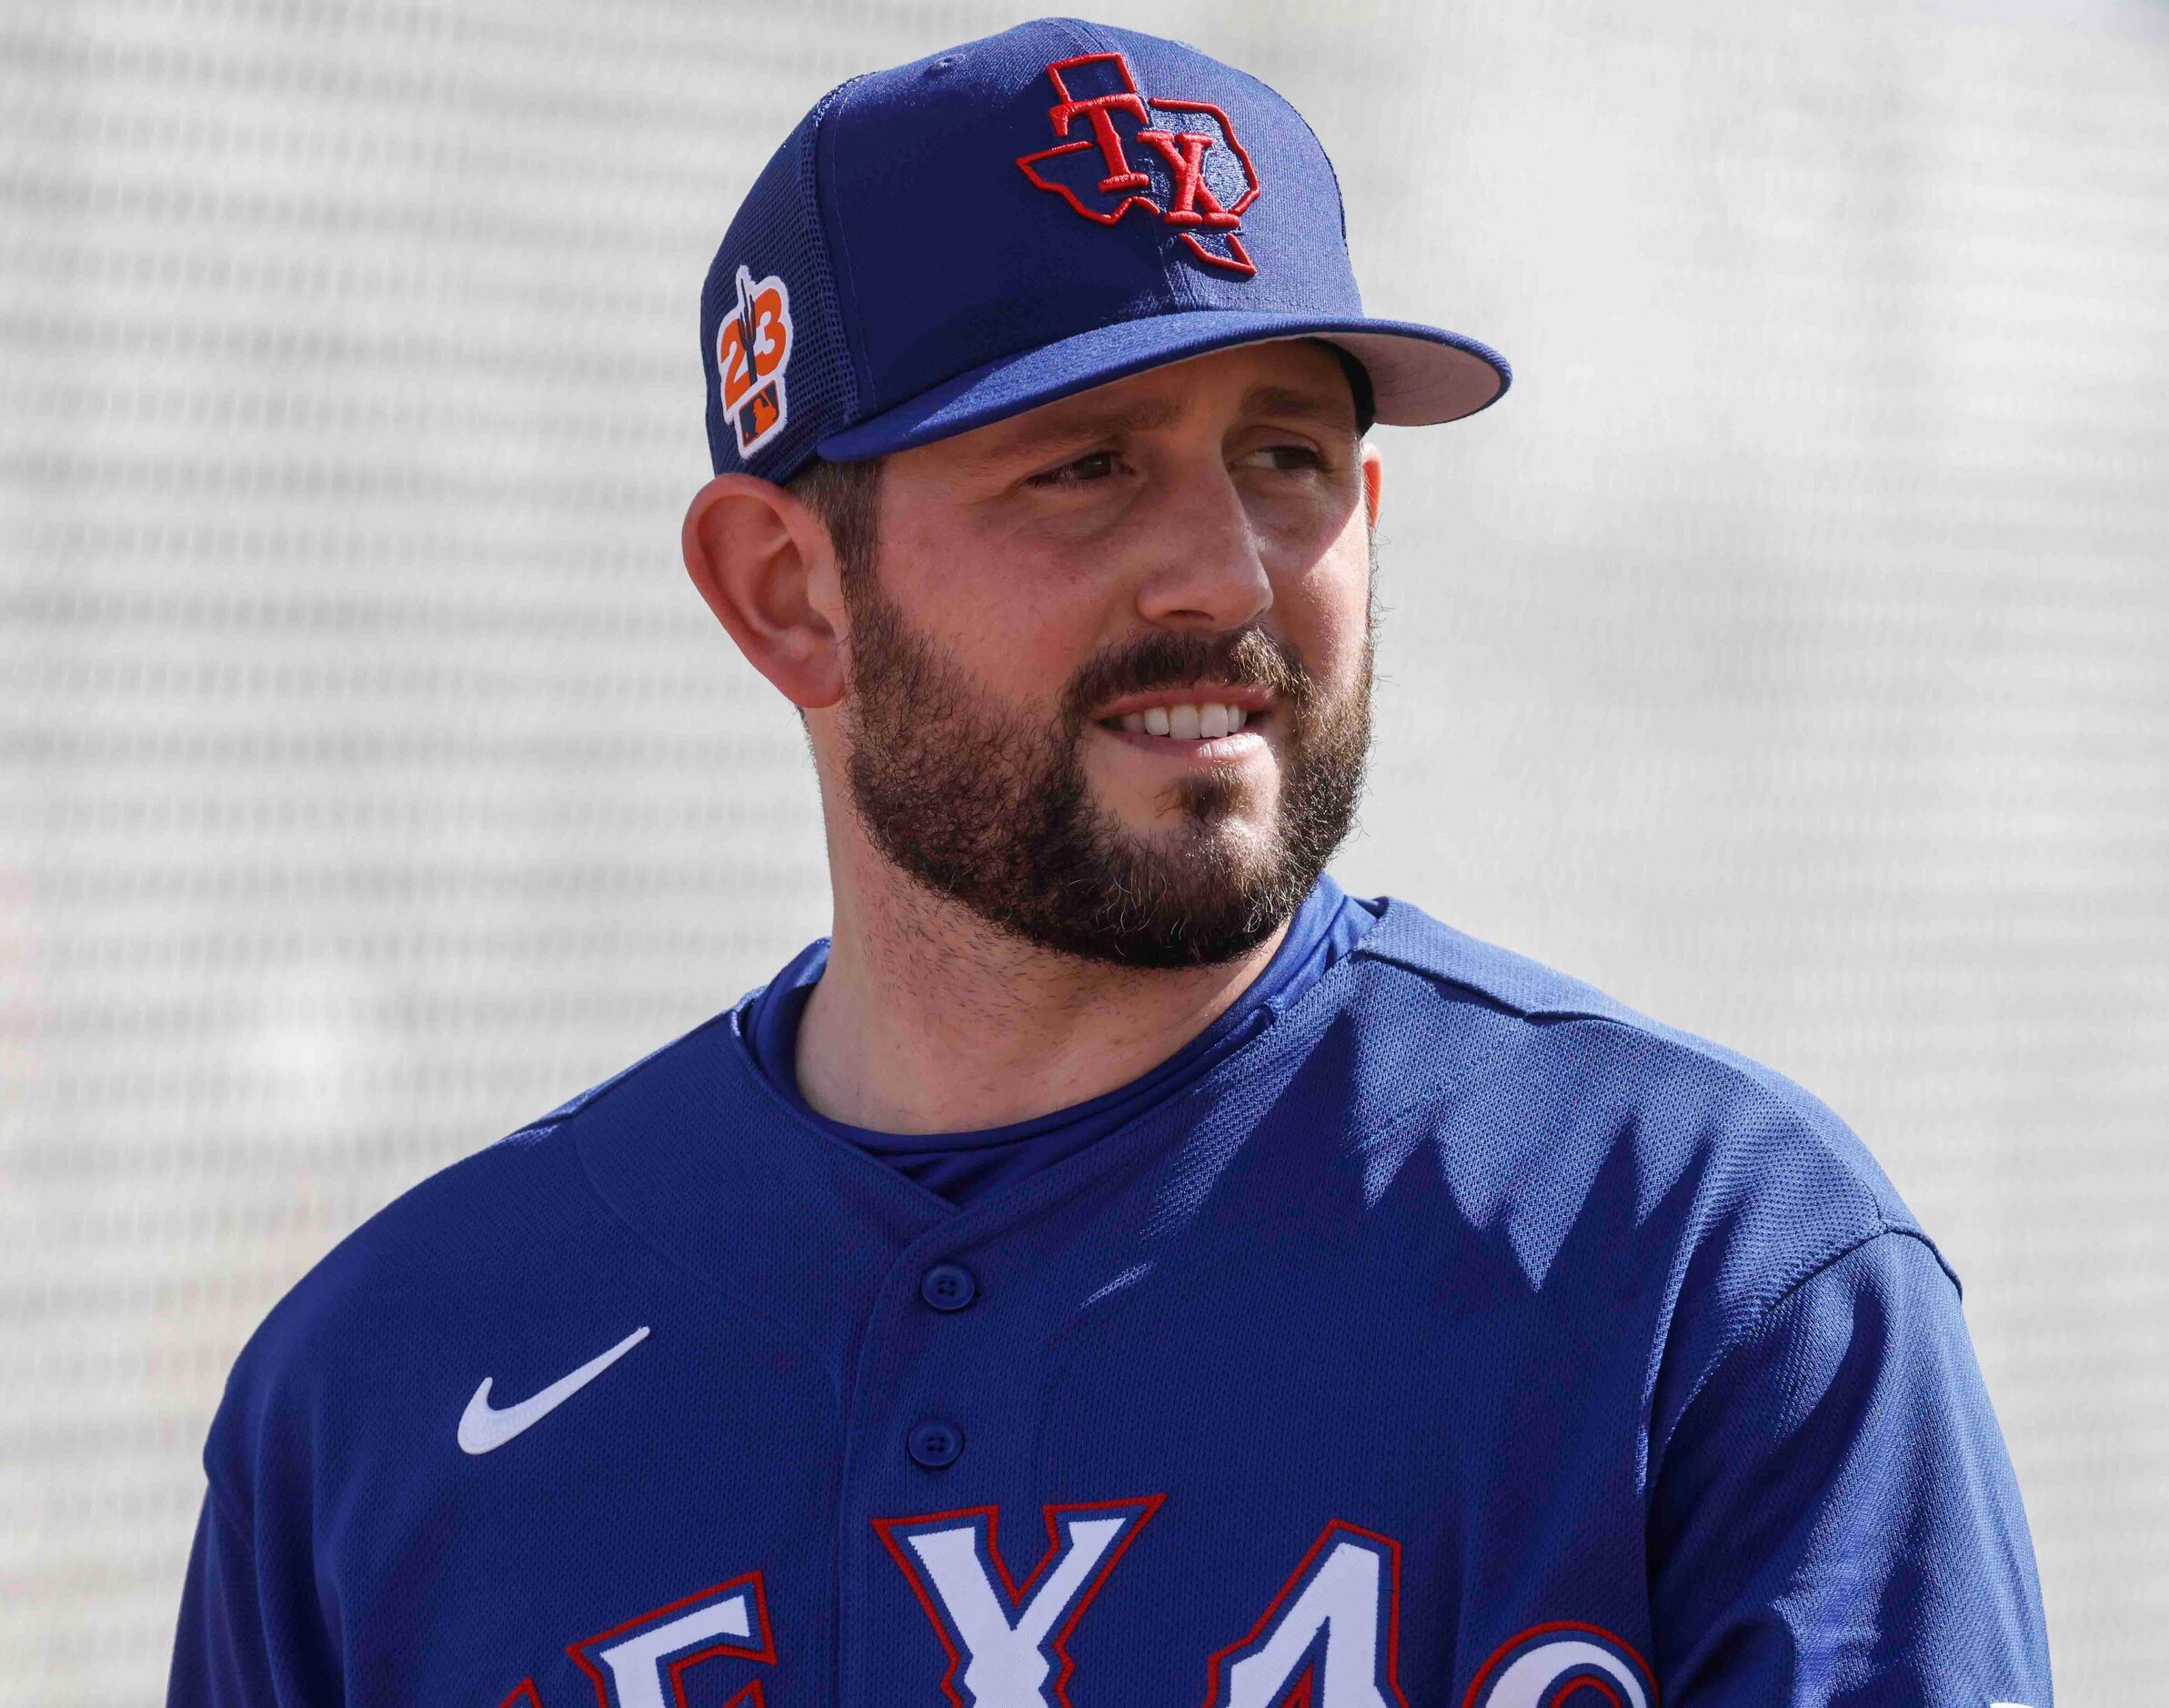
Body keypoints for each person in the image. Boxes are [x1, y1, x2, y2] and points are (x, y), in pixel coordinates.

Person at [167, 18, 2053, 1708]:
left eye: (1289, 459)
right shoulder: (390, 1389)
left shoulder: (1697, 1272)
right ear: (785, 594)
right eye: (1081, 465)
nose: (1227, 576)